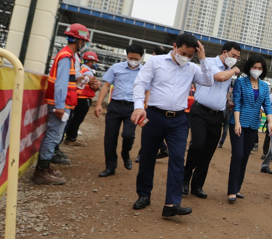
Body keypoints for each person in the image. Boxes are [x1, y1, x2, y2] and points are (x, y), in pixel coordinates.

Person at [130, 34, 212, 217]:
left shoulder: (192, 68)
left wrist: (203, 59)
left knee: (177, 159)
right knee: (148, 157)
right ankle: (143, 195)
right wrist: (138, 107)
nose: (187, 57)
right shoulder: (156, 62)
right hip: (154, 116)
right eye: (184, 53)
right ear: (175, 47)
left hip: (179, 121)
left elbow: (209, 81)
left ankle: (171, 204)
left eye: (191, 55)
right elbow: (140, 83)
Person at [32, 23, 90, 185]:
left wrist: (76, 80)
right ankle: (41, 171)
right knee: (53, 136)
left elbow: (66, 79)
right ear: (78, 41)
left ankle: (45, 167)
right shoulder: (66, 56)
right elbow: (60, 83)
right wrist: (59, 105)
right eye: (84, 42)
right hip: (61, 104)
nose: (84, 45)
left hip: (63, 103)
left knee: (54, 135)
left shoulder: (67, 56)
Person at [183, 41, 242, 198]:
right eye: (233, 55)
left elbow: (222, 91)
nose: (235, 59)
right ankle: (184, 178)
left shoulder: (229, 71)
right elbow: (219, 77)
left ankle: (197, 185)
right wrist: (234, 70)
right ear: (224, 52)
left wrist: (228, 101)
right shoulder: (209, 62)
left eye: (238, 58)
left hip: (217, 116)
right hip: (200, 111)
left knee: (208, 150)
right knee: (197, 144)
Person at [227, 54, 272, 203]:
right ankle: (231, 190)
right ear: (249, 67)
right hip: (238, 123)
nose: (257, 70)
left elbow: (267, 105)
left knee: (245, 156)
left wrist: (270, 122)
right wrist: (237, 122)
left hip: (254, 124)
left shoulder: (265, 86)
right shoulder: (240, 82)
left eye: (260, 68)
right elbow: (237, 102)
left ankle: (237, 188)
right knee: (238, 154)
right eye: (254, 67)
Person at [95, 44, 144, 177]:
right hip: (115, 106)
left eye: (136, 58)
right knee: (110, 138)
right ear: (126, 55)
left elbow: (148, 90)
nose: (133, 60)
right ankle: (110, 166)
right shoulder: (116, 68)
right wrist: (99, 104)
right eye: (130, 57)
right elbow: (106, 86)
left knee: (128, 135)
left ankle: (125, 152)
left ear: (141, 57)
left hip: (133, 108)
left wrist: (145, 108)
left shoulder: (145, 71)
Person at [63, 51, 101, 145]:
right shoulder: (88, 71)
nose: (96, 64)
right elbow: (94, 86)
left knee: (73, 118)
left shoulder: (81, 69)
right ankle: (71, 139)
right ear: (90, 62)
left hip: (77, 96)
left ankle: (70, 137)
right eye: (94, 62)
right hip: (84, 98)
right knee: (77, 119)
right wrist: (98, 85)